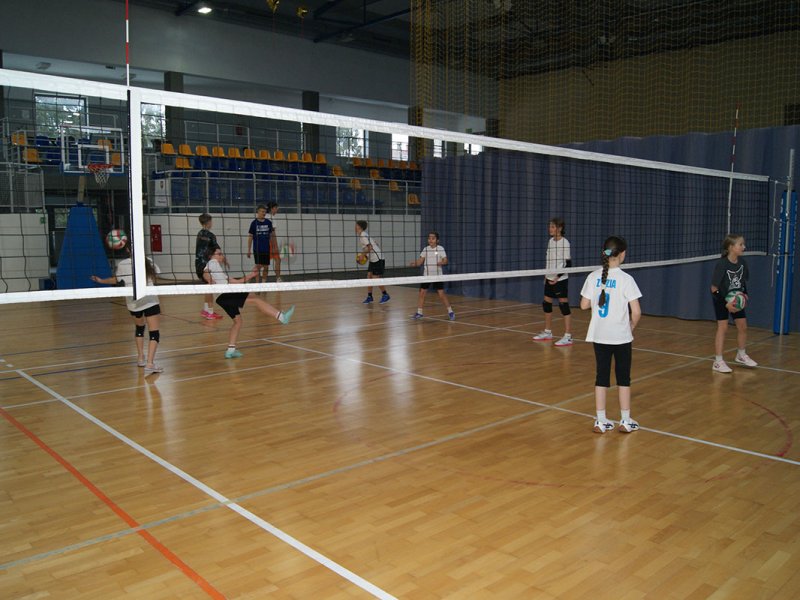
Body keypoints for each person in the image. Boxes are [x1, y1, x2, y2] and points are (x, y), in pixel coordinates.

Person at [580, 236, 642, 434]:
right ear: (622, 254)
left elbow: (583, 305)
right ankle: (625, 420)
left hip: (600, 335)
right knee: (623, 378)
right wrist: (631, 326)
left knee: (601, 377)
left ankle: (601, 420)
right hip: (621, 336)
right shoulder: (626, 279)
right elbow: (636, 312)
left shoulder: (593, 276)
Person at [203, 244, 295, 359]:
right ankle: (281, 317)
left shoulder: (219, 272)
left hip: (221, 299)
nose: (222, 256)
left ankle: (230, 350)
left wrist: (251, 275)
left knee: (238, 322)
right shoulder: (213, 263)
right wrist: (209, 279)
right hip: (226, 294)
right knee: (256, 299)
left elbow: (236, 282)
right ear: (211, 255)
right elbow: (205, 272)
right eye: (219, 254)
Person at [91, 240, 164, 375]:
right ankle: (150, 363)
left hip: (133, 302)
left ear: (128, 250)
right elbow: (155, 278)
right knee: (154, 333)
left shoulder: (123, 264)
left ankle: (140, 358)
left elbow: (116, 280)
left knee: (139, 328)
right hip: (150, 300)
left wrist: (101, 280)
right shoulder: (149, 261)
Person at [710, 234, 757, 373]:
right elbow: (713, 288)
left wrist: (745, 295)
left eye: (743, 244)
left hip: (736, 298)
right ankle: (718, 362)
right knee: (723, 328)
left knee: (743, 326)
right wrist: (726, 303)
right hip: (721, 298)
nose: (744, 247)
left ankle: (741, 355)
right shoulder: (722, 264)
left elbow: (742, 283)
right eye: (740, 244)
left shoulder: (742, 263)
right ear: (731, 247)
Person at [532, 218, 573, 346]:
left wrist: (557, 277)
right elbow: (548, 259)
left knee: (563, 306)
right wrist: (546, 274)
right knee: (546, 304)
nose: (550, 229)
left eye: (553, 227)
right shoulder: (550, 241)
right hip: (549, 277)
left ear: (559, 228)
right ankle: (548, 332)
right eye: (550, 226)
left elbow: (569, 264)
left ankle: (568, 336)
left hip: (560, 279)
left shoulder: (565, 242)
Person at [409, 231, 455, 320]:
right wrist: (415, 263)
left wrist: (442, 262)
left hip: (437, 276)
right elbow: (420, 261)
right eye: (429, 238)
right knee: (422, 293)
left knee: (441, 294)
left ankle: (450, 311)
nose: (430, 240)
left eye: (433, 238)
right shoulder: (425, 249)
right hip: (427, 276)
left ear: (437, 240)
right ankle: (419, 312)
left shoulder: (440, 249)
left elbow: (445, 260)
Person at [355, 220, 390, 304]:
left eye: (356, 225)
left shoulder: (363, 235)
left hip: (378, 259)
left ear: (359, 226)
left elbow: (370, 247)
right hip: (373, 259)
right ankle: (369, 296)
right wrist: (366, 257)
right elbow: (375, 245)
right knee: (369, 277)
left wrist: (362, 255)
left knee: (375, 278)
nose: (355, 227)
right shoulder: (364, 235)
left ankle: (385, 295)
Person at [196, 213, 222, 320]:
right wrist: (222, 258)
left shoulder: (199, 234)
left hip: (198, 264)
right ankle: (210, 312)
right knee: (211, 287)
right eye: (211, 221)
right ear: (208, 222)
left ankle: (206, 310)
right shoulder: (211, 236)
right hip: (207, 266)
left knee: (208, 287)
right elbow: (217, 250)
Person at [247, 204, 273, 284]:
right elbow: (250, 237)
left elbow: (271, 236)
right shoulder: (254, 223)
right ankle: (257, 284)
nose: (264, 213)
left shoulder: (268, 222)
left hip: (266, 249)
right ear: (258, 212)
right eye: (262, 211)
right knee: (258, 266)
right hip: (257, 249)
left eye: (265, 212)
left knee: (266, 267)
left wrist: (272, 247)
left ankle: (263, 283)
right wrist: (248, 250)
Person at [267, 202, 283, 282]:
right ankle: (278, 278)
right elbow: (272, 233)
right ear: (272, 209)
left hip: (264, 242)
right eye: (276, 208)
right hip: (270, 243)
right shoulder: (271, 218)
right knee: (277, 260)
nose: (277, 210)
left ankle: (251, 277)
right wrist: (274, 245)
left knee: (262, 263)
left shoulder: (266, 216)